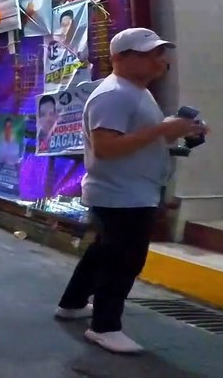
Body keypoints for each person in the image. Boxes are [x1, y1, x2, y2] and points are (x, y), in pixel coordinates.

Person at [54, 28, 208, 354]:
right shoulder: (115, 95)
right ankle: (105, 327)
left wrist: (176, 129)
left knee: (104, 252)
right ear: (121, 58)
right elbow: (107, 147)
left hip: (129, 192)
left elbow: (139, 137)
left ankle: (72, 303)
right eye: (149, 53)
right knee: (123, 260)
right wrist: (163, 129)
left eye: (160, 52)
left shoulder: (136, 92)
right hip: (121, 195)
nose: (159, 60)